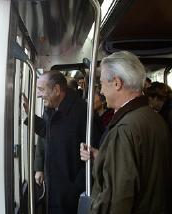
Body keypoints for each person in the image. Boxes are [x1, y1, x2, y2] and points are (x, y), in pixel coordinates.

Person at [80, 51, 171, 213]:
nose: (101, 92)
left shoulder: (124, 129)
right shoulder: (153, 118)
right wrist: (103, 156)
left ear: (117, 83)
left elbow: (117, 201)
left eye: (102, 85)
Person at [23, 71, 90, 214]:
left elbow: (94, 153)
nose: (39, 95)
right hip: (59, 185)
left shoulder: (81, 113)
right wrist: (31, 116)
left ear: (57, 90)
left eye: (41, 90)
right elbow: (51, 133)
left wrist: (75, 188)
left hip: (70, 190)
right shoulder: (55, 109)